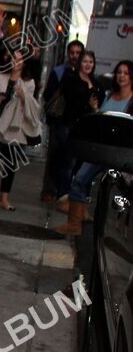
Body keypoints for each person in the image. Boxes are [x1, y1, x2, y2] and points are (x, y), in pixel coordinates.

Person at [56, 59, 133, 235]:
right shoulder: (109, 94)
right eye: (119, 72)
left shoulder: (132, 100)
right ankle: (75, 223)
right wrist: (95, 109)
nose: (121, 76)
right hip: (100, 149)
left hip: (120, 154)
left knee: (109, 190)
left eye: (126, 73)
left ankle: (102, 228)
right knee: (80, 180)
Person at [0, 48, 38, 211]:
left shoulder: (29, 82)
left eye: (19, 59)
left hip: (14, 126)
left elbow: (31, 107)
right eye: (13, 58)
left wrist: (23, 95)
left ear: (24, 63)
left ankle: (4, 198)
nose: (16, 62)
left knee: (10, 163)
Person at [53, 50, 104, 208]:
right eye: (85, 61)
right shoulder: (71, 79)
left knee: (81, 166)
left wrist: (94, 107)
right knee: (68, 163)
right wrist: (86, 103)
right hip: (70, 126)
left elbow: (98, 105)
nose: (88, 65)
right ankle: (62, 197)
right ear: (79, 63)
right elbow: (70, 101)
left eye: (91, 62)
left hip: (87, 130)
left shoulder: (96, 83)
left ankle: (77, 200)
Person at [41, 39, 84, 201]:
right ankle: (49, 190)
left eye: (78, 53)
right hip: (58, 121)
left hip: (74, 123)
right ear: (68, 54)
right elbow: (48, 95)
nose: (75, 56)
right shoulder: (59, 72)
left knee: (69, 161)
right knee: (54, 156)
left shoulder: (84, 75)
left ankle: (63, 191)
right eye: (72, 53)